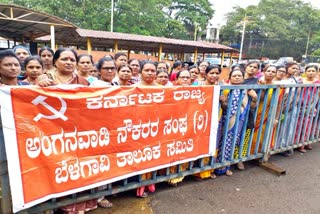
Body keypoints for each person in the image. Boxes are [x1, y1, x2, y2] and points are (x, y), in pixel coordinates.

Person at [216, 69, 257, 176]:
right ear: (230, 77)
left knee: (232, 143)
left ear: (243, 78)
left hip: (239, 120)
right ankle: (216, 167)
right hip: (226, 120)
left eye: (239, 75)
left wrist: (255, 98)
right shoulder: (225, 89)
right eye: (235, 75)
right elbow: (224, 107)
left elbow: (251, 107)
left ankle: (227, 166)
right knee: (221, 143)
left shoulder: (246, 90)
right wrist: (223, 101)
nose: (237, 77)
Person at [295, 64, 320, 152]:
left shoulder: (318, 82)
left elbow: (317, 95)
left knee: (307, 125)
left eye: (313, 71)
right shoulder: (300, 81)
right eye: (309, 71)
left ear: (316, 72)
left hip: (311, 106)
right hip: (298, 105)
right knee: (298, 125)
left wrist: (313, 106)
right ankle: (296, 143)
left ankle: (304, 143)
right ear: (305, 72)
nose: (311, 73)